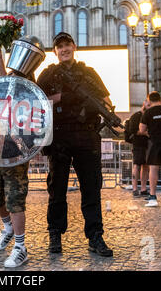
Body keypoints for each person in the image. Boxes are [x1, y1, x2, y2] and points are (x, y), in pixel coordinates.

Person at [36, 32, 113, 257]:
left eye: (67, 44)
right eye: (59, 46)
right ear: (55, 52)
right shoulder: (48, 74)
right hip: (59, 137)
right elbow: (37, 101)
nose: (64, 49)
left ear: (74, 46)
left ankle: (95, 236)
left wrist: (100, 107)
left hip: (86, 137)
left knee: (91, 189)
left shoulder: (88, 73)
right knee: (57, 190)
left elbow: (106, 100)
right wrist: (63, 98)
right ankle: (55, 234)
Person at [0, 36, 44, 268]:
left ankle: (20, 247)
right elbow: (2, 87)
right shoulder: (10, 79)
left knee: (15, 199)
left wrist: (35, 147)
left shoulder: (33, 87)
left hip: (17, 152)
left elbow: (39, 119)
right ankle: (8, 228)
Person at [129, 100, 150, 198]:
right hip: (138, 144)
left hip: (148, 144)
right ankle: (134, 189)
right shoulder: (136, 116)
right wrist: (145, 133)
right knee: (137, 165)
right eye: (148, 104)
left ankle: (143, 189)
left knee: (146, 166)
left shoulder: (149, 115)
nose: (149, 106)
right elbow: (132, 130)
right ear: (144, 104)